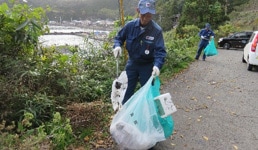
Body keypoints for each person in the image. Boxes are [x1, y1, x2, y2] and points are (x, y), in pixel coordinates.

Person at [113, 0, 167, 105]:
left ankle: (146, 114)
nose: (146, 17)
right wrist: (117, 46)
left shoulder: (156, 30)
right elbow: (119, 37)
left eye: (149, 14)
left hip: (147, 65)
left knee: (147, 91)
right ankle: (125, 113)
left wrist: (157, 66)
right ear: (138, 11)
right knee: (128, 89)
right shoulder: (130, 26)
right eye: (144, 14)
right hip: (132, 63)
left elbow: (160, 51)